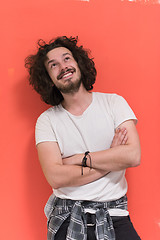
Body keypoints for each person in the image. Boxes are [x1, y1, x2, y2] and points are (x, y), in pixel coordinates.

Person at [25, 36, 141, 240]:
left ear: (79, 63)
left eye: (67, 58)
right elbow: (56, 177)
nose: (63, 66)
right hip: (67, 216)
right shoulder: (47, 121)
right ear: (48, 78)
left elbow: (132, 156)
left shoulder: (114, 103)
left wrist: (80, 158)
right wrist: (111, 159)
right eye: (54, 65)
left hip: (115, 214)